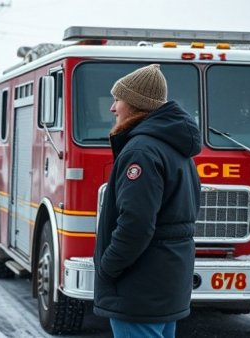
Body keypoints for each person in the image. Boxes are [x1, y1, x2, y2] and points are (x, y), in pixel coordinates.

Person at [93, 64, 201, 338]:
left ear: (135, 105)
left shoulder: (141, 151)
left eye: (117, 99)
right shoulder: (176, 149)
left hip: (138, 290)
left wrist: (108, 267)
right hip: (165, 285)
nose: (112, 108)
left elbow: (136, 223)